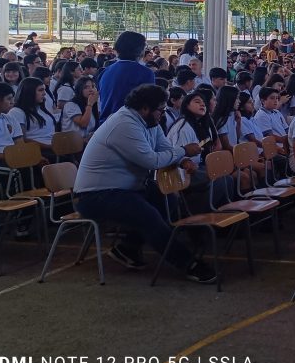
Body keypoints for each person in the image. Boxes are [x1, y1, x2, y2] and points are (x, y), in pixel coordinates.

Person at [72, 84, 217, 282]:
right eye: (161, 110)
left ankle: (128, 248)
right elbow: (152, 160)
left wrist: (182, 160)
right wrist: (183, 151)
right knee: (148, 215)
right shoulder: (124, 124)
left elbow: (163, 146)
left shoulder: (148, 121)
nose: (163, 114)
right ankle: (188, 263)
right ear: (145, 108)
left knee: (168, 202)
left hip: (127, 190)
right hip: (96, 196)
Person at [98, 31, 155, 124]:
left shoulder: (105, 71)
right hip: (130, 126)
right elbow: (148, 105)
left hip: (105, 126)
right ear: (140, 50)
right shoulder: (145, 73)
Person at [9, 77, 57, 153]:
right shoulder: (17, 112)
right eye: (40, 90)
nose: (44, 93)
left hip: (53, 146)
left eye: (44, 89)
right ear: (29, 92)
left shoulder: (41, 108)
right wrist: (50, 146)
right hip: (38, 150)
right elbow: (23, 139)